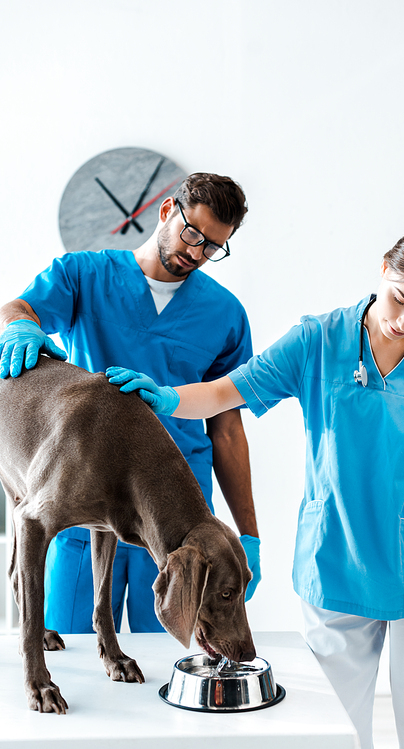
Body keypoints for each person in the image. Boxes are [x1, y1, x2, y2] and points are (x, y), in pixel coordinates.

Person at [106, 223, 404, 749]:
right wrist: (169, 399)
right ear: (384, 267)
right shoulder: (319, 339)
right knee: (333, 729)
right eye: (400, 299)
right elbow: (228, 390)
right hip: (333, 560)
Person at [0, 172, 261, 634]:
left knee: (165, 648)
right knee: (70, 641)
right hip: (82, 489)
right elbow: (21, 308)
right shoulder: (83, 274)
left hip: (172, 508)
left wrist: (248, 532)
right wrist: (19, 326)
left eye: (212, 247)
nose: (196, 253)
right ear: (166, 211)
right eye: (192, 234)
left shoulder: (225, 314)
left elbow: (227, 429)